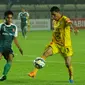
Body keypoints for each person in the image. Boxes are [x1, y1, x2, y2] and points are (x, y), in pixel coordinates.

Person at [28, 6, 78, 83]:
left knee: (68, 64)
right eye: (52, 15)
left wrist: (74, 29)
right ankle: (34, 72)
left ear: (58, 13)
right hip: (56, 44)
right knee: (45, 53)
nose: (53, 17)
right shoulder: (54, 21)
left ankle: (71, 77)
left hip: (65, 46)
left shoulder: (64, 19)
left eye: (54, 15)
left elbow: (69, 23)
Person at [0, 10, 23, 81]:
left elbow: (15, 39)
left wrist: (19, 48)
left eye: (11, 18)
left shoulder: (14, 27)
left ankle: (4, 75)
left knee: (10, 60)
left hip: (8, 48)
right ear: (5, 18)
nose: (9, 19)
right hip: (1, 46)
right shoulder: (1, 26)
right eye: (8, 18)